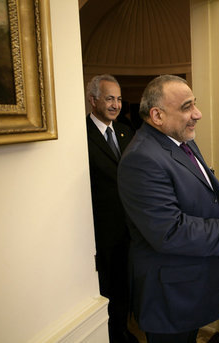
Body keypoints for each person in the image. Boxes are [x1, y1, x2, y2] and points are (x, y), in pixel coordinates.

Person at [117, 75, 219, 343]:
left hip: (189, 288)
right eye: (187, 107)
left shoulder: (181, 140)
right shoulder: (141, 159)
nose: (197, 114)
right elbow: (169, 231)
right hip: (169, 299)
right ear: (157, 115)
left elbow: (208, 198)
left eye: (194, 104)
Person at [85, 74, 139, 343]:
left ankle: (123, 332)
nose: (116, 105)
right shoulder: (80, 135)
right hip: (101, 232)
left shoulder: (125, 131)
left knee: (125, 287)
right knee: (107, 289)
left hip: (129, 229)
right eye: (109, 98)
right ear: (93, 100)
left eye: (118, 99)